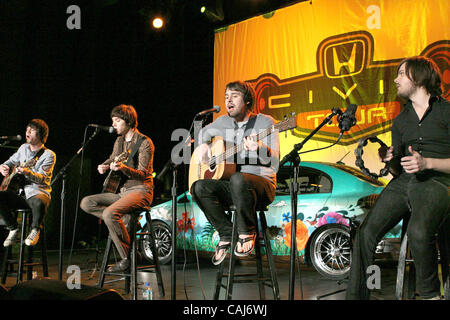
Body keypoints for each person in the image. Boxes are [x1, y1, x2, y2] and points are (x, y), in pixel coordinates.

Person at [346, 56, 450, 300]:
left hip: (438, 180)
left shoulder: (447, 111)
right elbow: (397, 167)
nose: (396, 79)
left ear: (419, 76)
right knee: (365, 233)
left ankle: (429, 295)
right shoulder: (401, 120)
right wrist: (390, 158)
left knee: (419, 231)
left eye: (401, 73)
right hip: (405, 181)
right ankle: (363, 293)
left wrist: (427, 163)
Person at [190, 81, 279, 265]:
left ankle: (247, 231)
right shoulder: (222, 122)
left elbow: (276, 160)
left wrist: (260, 147)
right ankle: (226, 233)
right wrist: (204, 146)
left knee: (239, 178)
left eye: (234, 96)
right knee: (198, 187)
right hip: (234, 186)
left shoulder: (265, 122)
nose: (228, 100)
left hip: (260, 186)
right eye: (226, 97)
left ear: (247, 100)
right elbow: (200, 135)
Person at [80, 104, 154, 272]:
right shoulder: (119, 141)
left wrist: (123, 168)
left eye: (117, 120)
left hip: (142, 190)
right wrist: (104, 165)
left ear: (128, 121)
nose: (113, 124)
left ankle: (126, 257)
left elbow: (143, 173)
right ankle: (131, 251)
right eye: (113, 121)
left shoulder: (144, 142)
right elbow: (113, 158)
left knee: (109, 213)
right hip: (123, 193)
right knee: (86, 203)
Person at [0, 119, 56, 247]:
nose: (28, 132)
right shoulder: (23, 148)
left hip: (37, 192)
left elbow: (43, 179)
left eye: (32, 130)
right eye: (27, 129)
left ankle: (35, 230)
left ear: (41, 134)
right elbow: (10, 162)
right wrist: (3, 166)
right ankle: (13, 228)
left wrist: (27, 172)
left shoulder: (49, 155)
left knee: (39, 201)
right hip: (20, 194)